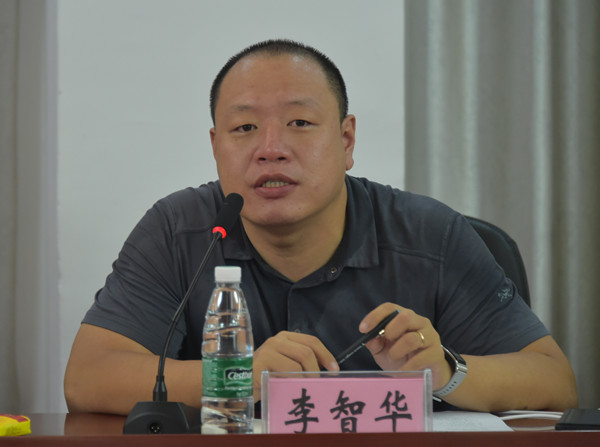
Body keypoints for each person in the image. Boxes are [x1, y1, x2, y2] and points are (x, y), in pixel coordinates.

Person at [64, 39, 578, 415]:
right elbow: (87, 378)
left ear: (347, 140)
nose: (271, 149)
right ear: (216, 146)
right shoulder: (178, 231)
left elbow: (554, 381)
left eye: (300, 123)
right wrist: (238, 378)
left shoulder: (429, 235)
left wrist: (445, 371)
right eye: (245, 128)